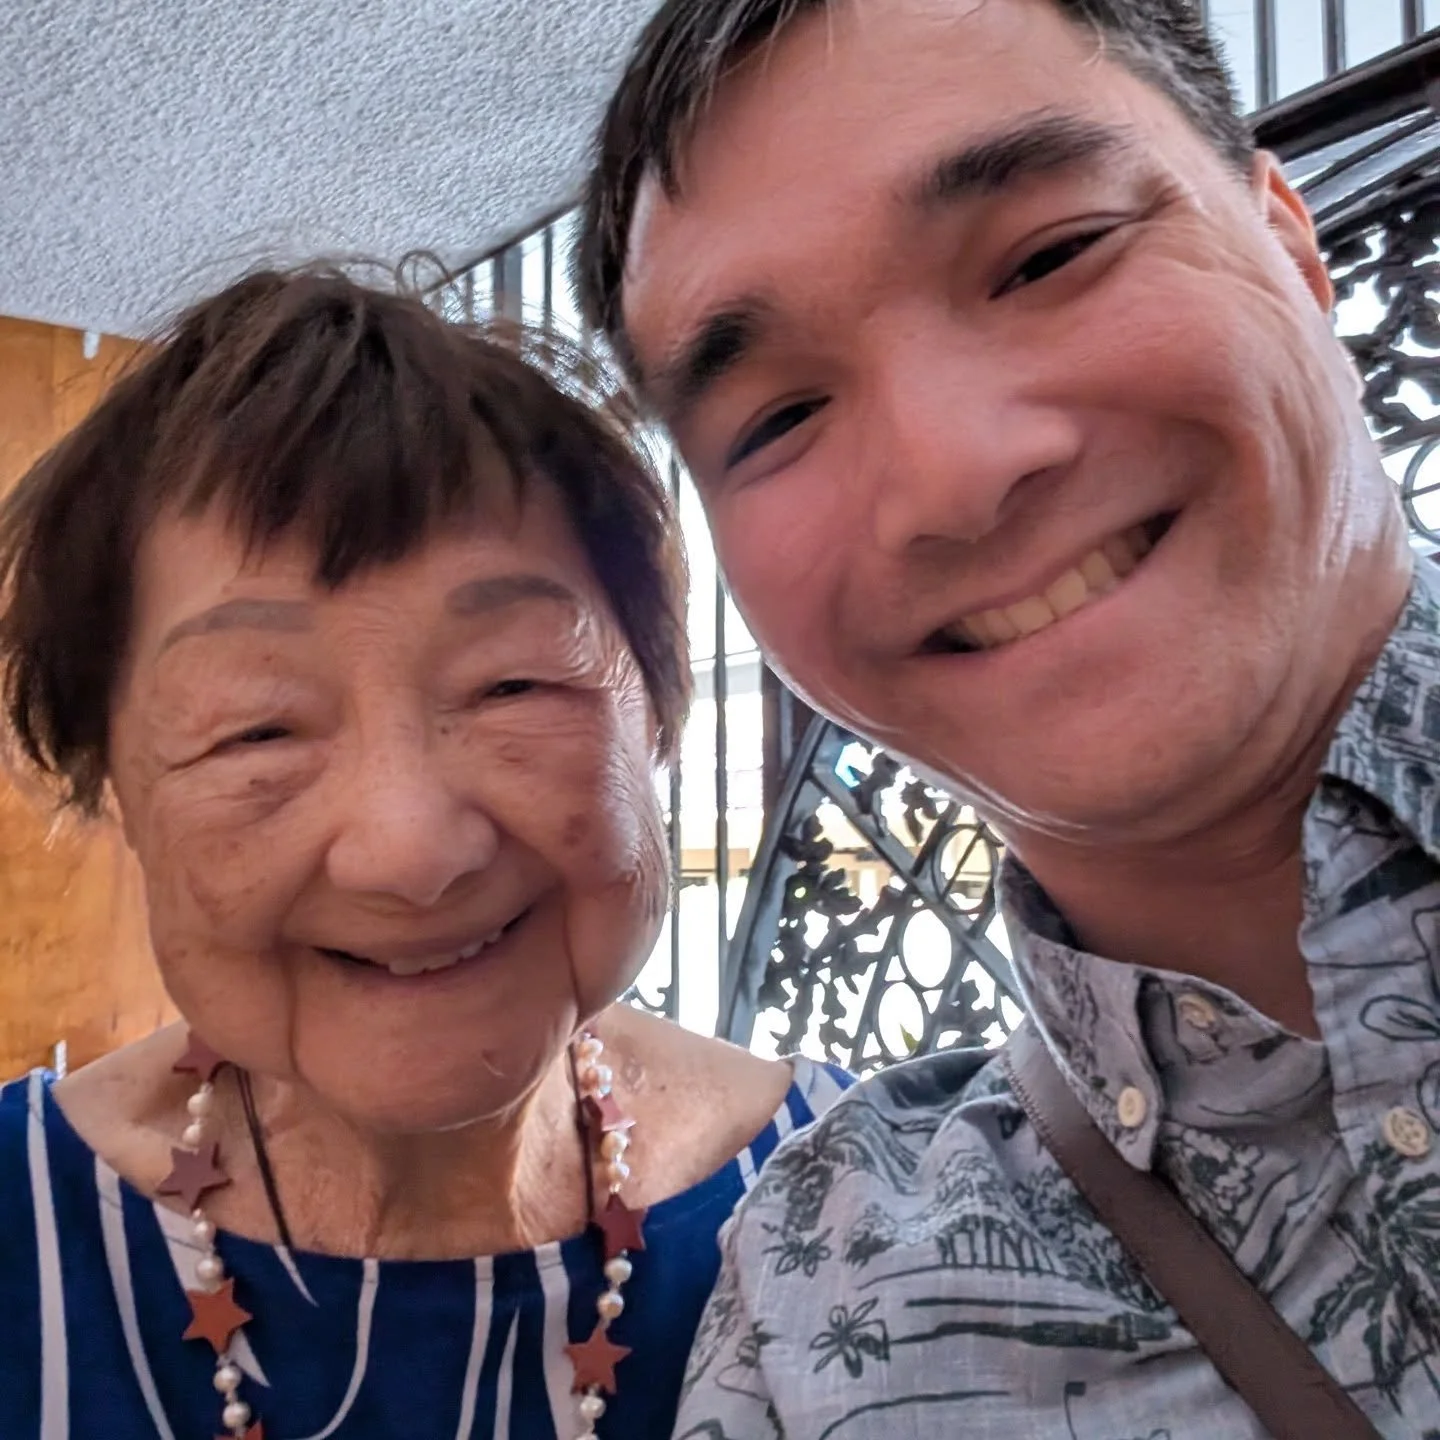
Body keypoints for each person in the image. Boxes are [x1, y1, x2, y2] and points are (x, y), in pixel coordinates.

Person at [573, 0, 1440, 1434]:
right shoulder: (824, 1287)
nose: (954, 477)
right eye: (778, 419)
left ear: (1290, 242)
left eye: (1049, 256)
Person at [0, 265, 853, 1440]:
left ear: (656, 715)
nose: (409, 851)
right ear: (115, 796)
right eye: (255, 727)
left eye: (513, 684)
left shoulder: (875, 1214)